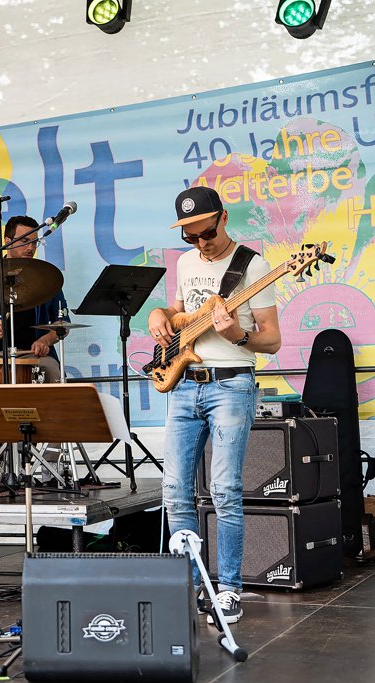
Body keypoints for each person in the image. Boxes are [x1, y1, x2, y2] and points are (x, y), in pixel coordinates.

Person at [148, 186, 281, 624]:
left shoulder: (253, 265)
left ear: (223, 218)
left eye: (206, 233)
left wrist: (236, 335)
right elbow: (180, 313)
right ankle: (188, 588)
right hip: (184, 383)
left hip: (231, 385)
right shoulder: (186, 262)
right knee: (174, 491)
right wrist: (158, 314)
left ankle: (229, 590)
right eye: (190, 236)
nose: (201, 243)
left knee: (224, 491)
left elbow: (272, 339)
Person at [0, 215, 69, 383]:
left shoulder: (47, 278)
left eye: (34, 242)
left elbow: (63, 325)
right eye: (25, 241)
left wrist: (44, 341)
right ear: (8, 241)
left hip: (34, 354)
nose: (30, 248)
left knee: (53, 371)